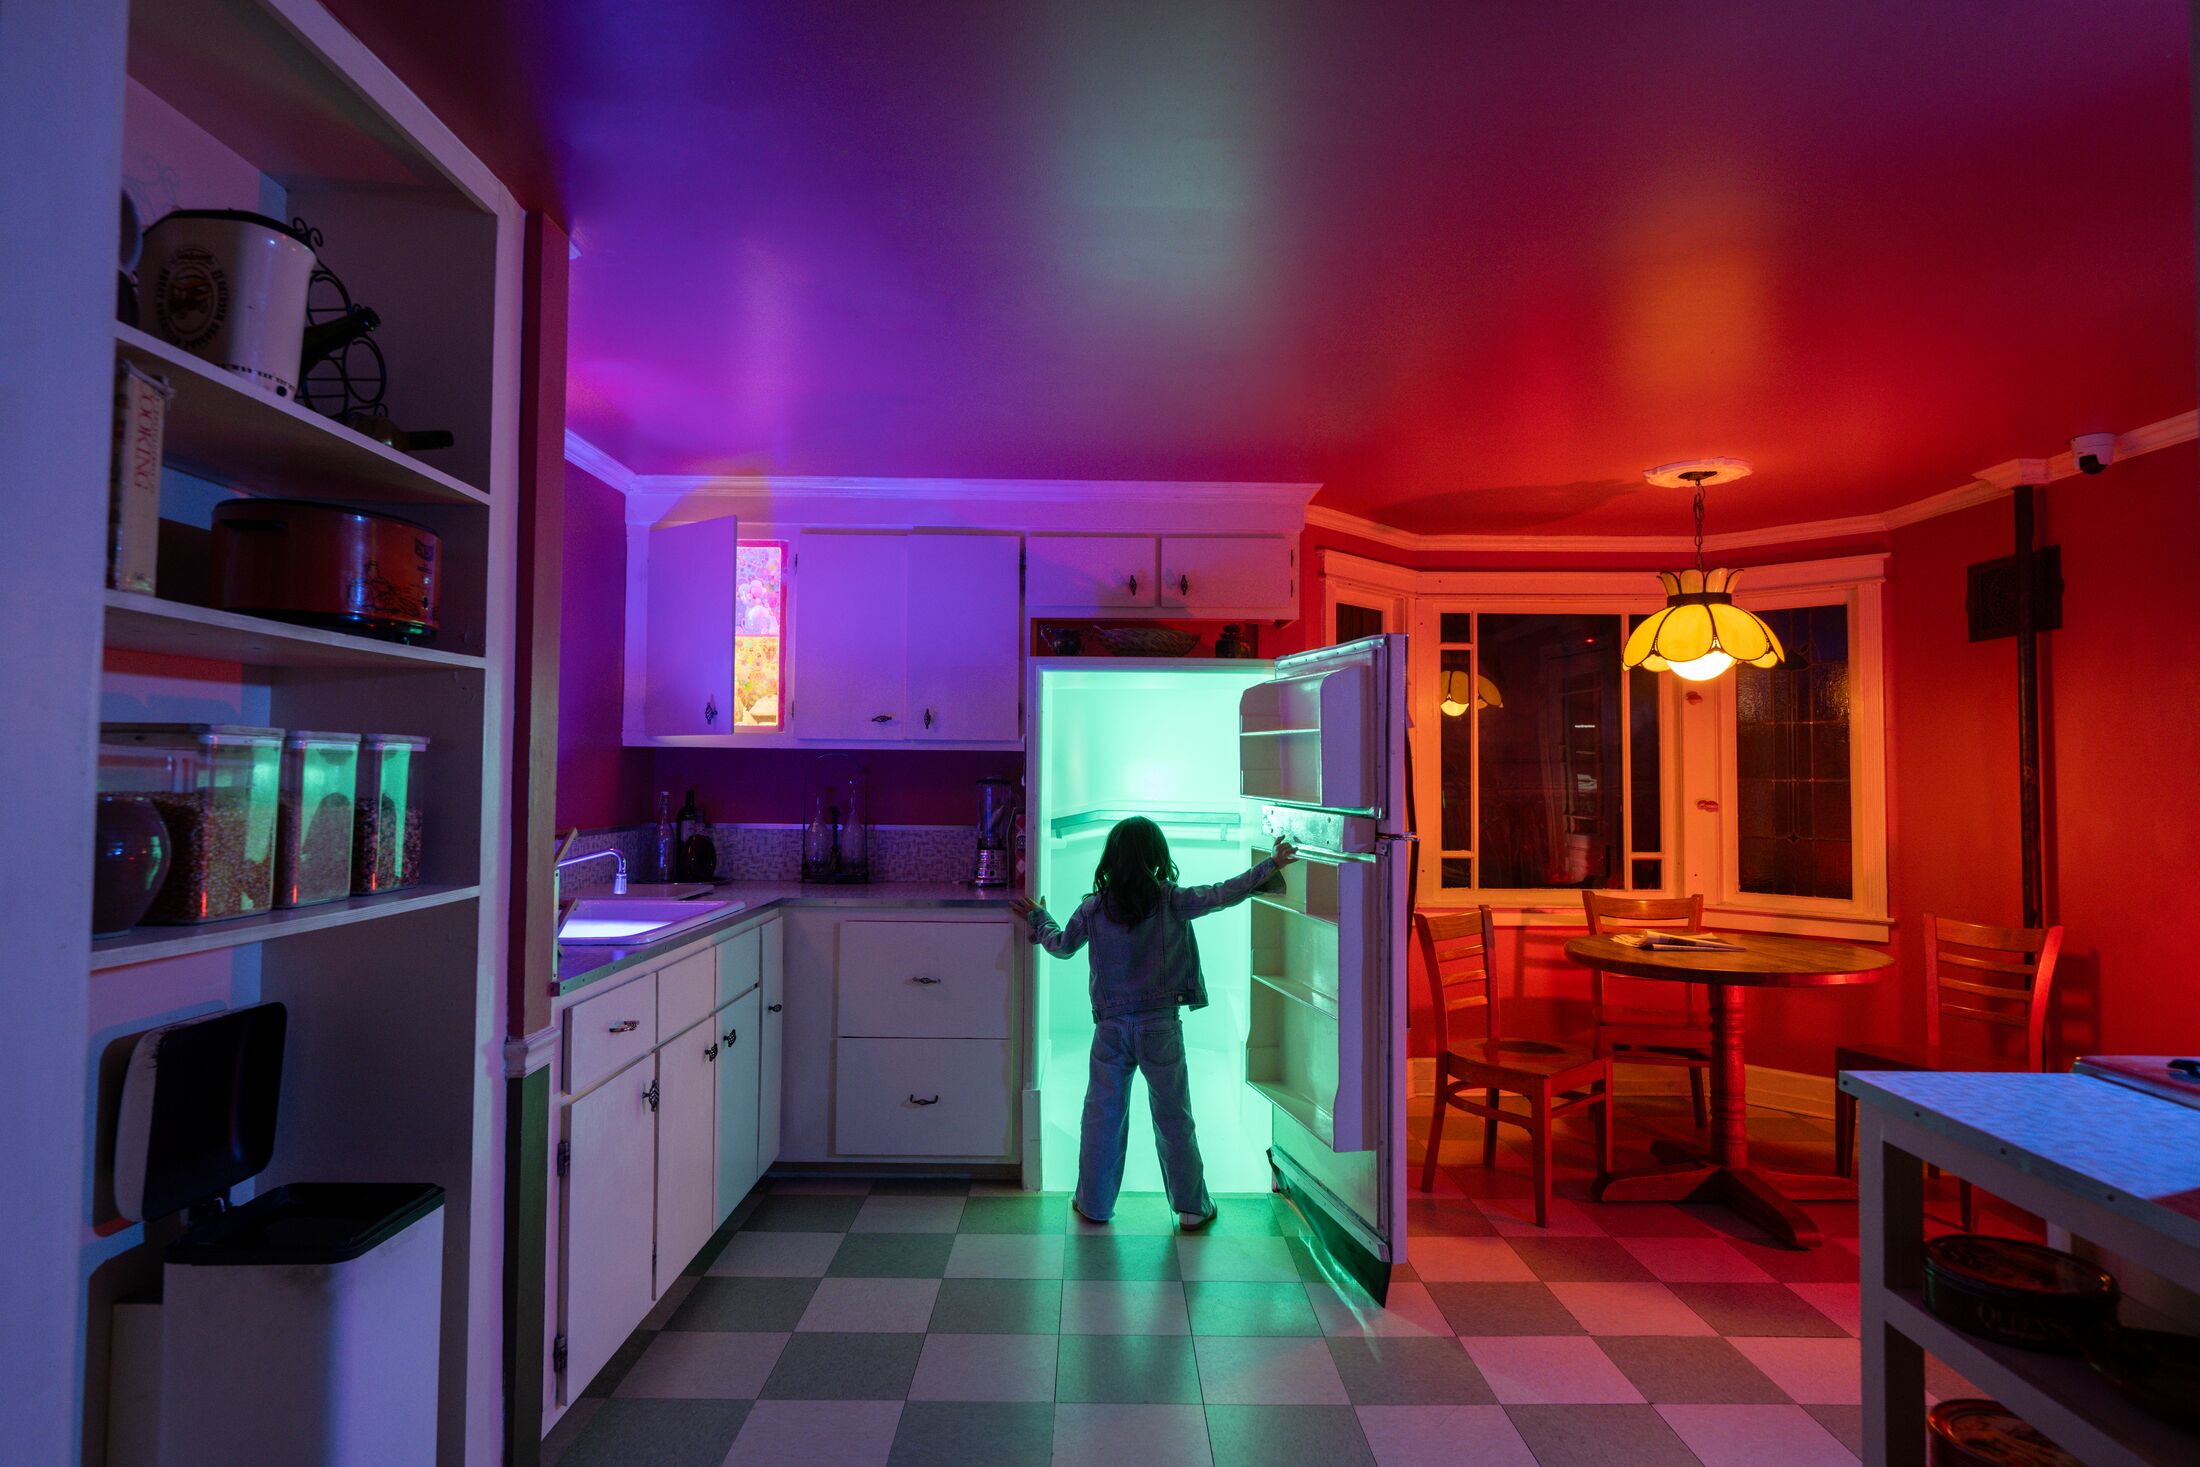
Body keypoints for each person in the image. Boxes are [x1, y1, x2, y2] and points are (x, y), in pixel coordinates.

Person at [1013, 817, 1296, 1229]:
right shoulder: (1171, 900)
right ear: (1157, 857)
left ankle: (1093, 1205)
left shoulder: (1093, 907)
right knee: (1173, 1115)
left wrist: (1040, 918)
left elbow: (1061, 946)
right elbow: (1222, 894)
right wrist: (1270, 865)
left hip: (1110, 1028)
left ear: (1112, 859)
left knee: (1102, 1116)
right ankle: (1192, 1209)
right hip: (1160, 1027)